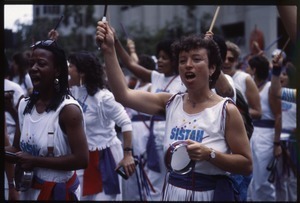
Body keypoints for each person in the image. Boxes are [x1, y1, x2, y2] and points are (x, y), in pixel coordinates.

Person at [96, 21, 252, 201]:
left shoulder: (226, 110)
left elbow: (246, 164)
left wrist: (210, 154)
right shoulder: (169, 102)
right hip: (172, 192)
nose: (188, 65)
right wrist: (109, 49)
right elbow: (123, 95)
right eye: (182, 60)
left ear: (212, 68)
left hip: (210, 194)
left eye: (196, 59)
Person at [5, 39, 89, 200]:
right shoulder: (24, 105)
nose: (33, 69)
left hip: (56, 193)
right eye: (31, 63)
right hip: (29, 192)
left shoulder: (68, 110)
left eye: (41, 64)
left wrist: (35, 161)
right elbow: (17, 149)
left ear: (57, 70)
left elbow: (82, 159)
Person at [113, 26, 187, 200]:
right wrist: (115, 42)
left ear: (175, 60)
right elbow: (131, 65)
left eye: (165, 58)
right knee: (153, 180)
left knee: (173, 180)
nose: (160, 61)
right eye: (159, 57)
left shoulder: (183, 80)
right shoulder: (156, 77)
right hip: (152, 137)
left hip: (174, 136)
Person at [67, 50, 136, 201]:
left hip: (106, 156)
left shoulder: (103, 97)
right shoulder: (74, 91)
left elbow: (125, 123)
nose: (67, 69)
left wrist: (128, 154)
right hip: (84, 157)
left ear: (82, 72)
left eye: (71, 66)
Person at [246, 55, 282, 201]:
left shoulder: (269, 88)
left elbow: (279, 116)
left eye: (248, 67)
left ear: (254, 70)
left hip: (266, 136)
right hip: (252, 134)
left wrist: (276, 143)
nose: (246, 70)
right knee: (251, 181)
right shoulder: (250, 86)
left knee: (262, 181)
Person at [122, 54, 157, 201]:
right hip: (132, 128)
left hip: (144, 129)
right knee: (133, 168)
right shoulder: (136, 85)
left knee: (143, 165)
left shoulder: (151, 86)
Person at [270, 55, 297, 201]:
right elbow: (276, 92)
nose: (282, 76)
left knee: (293, 183)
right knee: (281, 182)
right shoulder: (292, 95)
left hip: (294, 144)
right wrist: (275, 69)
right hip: (282, 143)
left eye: (284, 74)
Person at [223, 40, 262, 120]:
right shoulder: (212, 79)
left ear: (236, 61)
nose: (226, 62)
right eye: (223, 58)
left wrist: (234, 110)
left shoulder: (245, 79)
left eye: (231, 59)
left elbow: (258, 112)